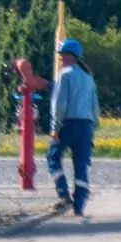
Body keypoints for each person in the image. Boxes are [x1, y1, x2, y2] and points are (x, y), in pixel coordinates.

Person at [48, 36, 99, 216]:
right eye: (61, 54)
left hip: (69, 124)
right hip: (86, 126)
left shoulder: (65, 75)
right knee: (81, 164)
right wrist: (93, 127)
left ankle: (63, 195)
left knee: (53, 157)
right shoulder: (88, 78)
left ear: (72, 56)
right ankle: (79, 205)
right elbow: (95, 106)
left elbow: (59, 104)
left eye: (64, 54)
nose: (61, 58)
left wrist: (55, 127)